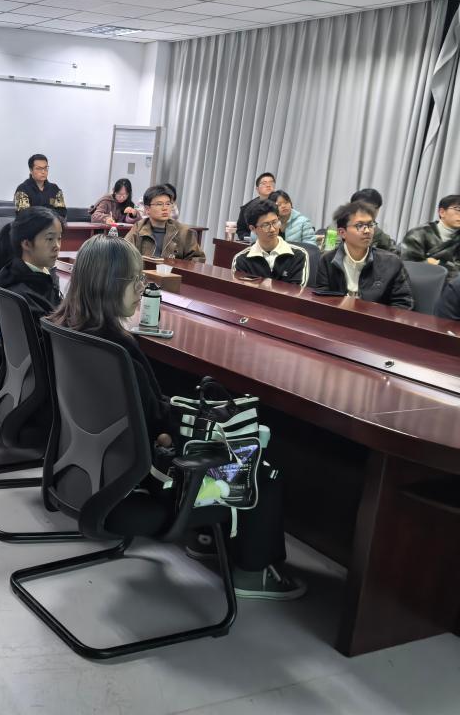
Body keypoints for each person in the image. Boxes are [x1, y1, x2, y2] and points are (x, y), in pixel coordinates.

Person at [48, 234, 306, 600]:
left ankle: (205, 539)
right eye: (135, 280)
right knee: (260, 465)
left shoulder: (70, 330)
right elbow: (156, 426)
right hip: (136, 487)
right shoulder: (118, 352)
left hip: (85, 475)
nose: (142, 287)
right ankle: (254, 573)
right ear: (109, 285)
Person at [315, 200, 414, 308]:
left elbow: (404, 304)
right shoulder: (327, 260)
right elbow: (322, 299)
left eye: (370, 225)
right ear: (342, 232)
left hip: (374, 317)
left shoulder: (392, 262)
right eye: (359, 225)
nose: (367, 230)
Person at [0, 207, 63, 322]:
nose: (57, 246)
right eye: (50, 239)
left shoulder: (17, 272)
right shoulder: (23, 294)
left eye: (59, 238)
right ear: (26, 244)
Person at [233, 199, 309, 285]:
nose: (272, 229)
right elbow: (240, 290)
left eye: (275, 222)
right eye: (265, 225)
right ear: (252, 228)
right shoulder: (241, 259)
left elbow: (297, 291)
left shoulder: (298, 255)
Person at [124, 185, 205, 262]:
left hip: (172, 271)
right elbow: (124, 252)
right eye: (159, 204)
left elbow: (198, 259)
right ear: (147, 209)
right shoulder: (138, 228)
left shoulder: (184, 232)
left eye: (168, 204)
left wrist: (178, 268)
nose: (165, 208)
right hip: (143, 271)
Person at [400, 194, 460, 284]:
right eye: (458, 209)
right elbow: (409, 265)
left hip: (453, 286)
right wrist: (438, 266)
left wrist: (438, 264)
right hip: (419, 283)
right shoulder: (419, 233)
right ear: (442, 212)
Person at [14, 154, 66, 221]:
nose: (43, 172)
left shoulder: (55, 189)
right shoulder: (22, 189)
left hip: (52, 225)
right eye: (39, 169)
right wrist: (48, 215)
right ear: (31, 170)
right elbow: (23, 215)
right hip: (31, 226)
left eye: (45, 168)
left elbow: (62, 213)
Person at [236, 172, 276, 239]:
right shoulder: (247, 207)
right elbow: (241, 231)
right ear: (257, 189)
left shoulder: (281, 205)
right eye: (264, 183)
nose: (268, 185)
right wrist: (253, 238)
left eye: (271, 183)